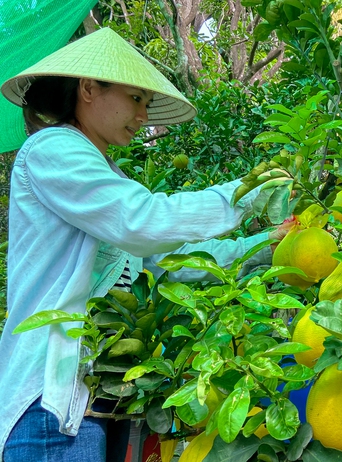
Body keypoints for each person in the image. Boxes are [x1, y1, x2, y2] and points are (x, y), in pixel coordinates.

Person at [0, 27, 291, 461]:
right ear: (88, 88)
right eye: (136, 98)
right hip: (52, 404)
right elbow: (141, 221)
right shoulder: (54, 149)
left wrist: (267, 243)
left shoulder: (110, 179)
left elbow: (169, 264)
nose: (143, 115)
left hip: (105, 403)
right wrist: (245, 192)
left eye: (147, 103)